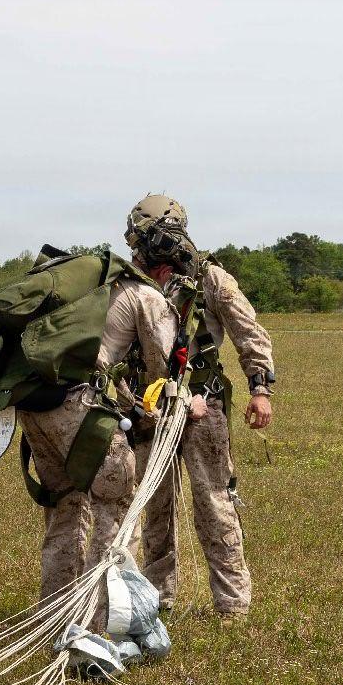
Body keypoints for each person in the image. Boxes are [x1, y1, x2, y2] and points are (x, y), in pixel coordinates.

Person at [124, 195, 276, 619]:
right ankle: (156, 598)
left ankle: (232, 604)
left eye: (143, 238)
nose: (139, 250)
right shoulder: (132, 281)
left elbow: (251, 333)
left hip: (202, 408)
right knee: (154, 507)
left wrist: (259, 388)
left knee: (213, 503)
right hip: (149, 409)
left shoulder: (211, 279)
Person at [19, 263, 178, 622]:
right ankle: (98, 622)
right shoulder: (150, 297)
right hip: (77, 403)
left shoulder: (90, 293)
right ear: (165, 272)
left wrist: (130, 406)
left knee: (66, 506)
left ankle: (55, 615)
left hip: (34, 404)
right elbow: (160, 371)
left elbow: (106, 368)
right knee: (117, 508)